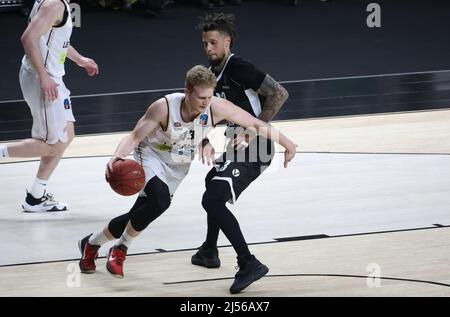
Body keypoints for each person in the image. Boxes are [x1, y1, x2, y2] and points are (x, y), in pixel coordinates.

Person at [78, 65, 296, 294]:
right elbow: (134, 137)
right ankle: (121, 248)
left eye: (209, 97)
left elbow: (256, 123)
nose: (205, 103)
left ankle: (92, 243)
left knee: (141, 212)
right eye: (201, 97)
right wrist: (116, 156)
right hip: (151, 155)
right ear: (187, 92)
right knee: (160, 201)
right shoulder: (163, 108)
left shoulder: (215, 107)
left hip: (177, 164)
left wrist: (288, 144)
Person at [191, 13, 290, 292]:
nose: (208, 48)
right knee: (212, 184)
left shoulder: (238, 67)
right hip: (237, 146)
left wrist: (254, 129)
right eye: (204, 43)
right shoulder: (213, 76)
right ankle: (209, 251)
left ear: (227, 41)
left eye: (213, 43)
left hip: (256, 147)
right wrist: (203, 140)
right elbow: (205, 114)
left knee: (213, 200)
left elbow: (279, 94)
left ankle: (248, 263)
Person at [0, 0, 99, 212]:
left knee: (67, 133)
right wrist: (44, 77)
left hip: (50, 77)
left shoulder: (55, 3)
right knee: (52, 143)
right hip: (42, 79)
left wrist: (79, 59)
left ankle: (36, 197)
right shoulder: (55, 5)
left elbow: (53, 39)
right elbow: (28, 38)